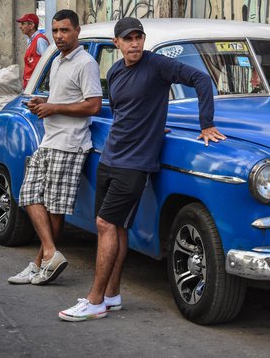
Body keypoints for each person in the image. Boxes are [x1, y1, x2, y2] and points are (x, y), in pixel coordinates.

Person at [59, 17, 226, 322]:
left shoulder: (157, 65)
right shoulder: (116, 71)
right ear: (117, 44)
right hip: (110, 158)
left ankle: (95, 300)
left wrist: (207, 124)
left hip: (135, 164)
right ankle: (112, 295)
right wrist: (151, 126)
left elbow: (201, 80)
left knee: (106, 225)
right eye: (128, 39)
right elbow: (125, 112)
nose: (134, 43)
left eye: (139, 37)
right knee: (114, 227)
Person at [8, 9, 102, 286]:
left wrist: (54, 107)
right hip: (50, 139)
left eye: (65, 30)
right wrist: (42, 102)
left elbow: (93, 105)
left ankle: (40, 263)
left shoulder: (85, 62)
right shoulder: (58, 61)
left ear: (77, 31)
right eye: (56, 30)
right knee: (27, 195)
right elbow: (62, 98)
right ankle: (49, 254)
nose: (59, 36)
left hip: (70, 143)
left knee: (54, 207)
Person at [17, 13, 50, 88]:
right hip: (31, 84)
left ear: (31, 26)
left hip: (37, 86)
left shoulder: (40, 40)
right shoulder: (31, 40)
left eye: (23, 24)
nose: (20, 27)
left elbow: (48, 63)